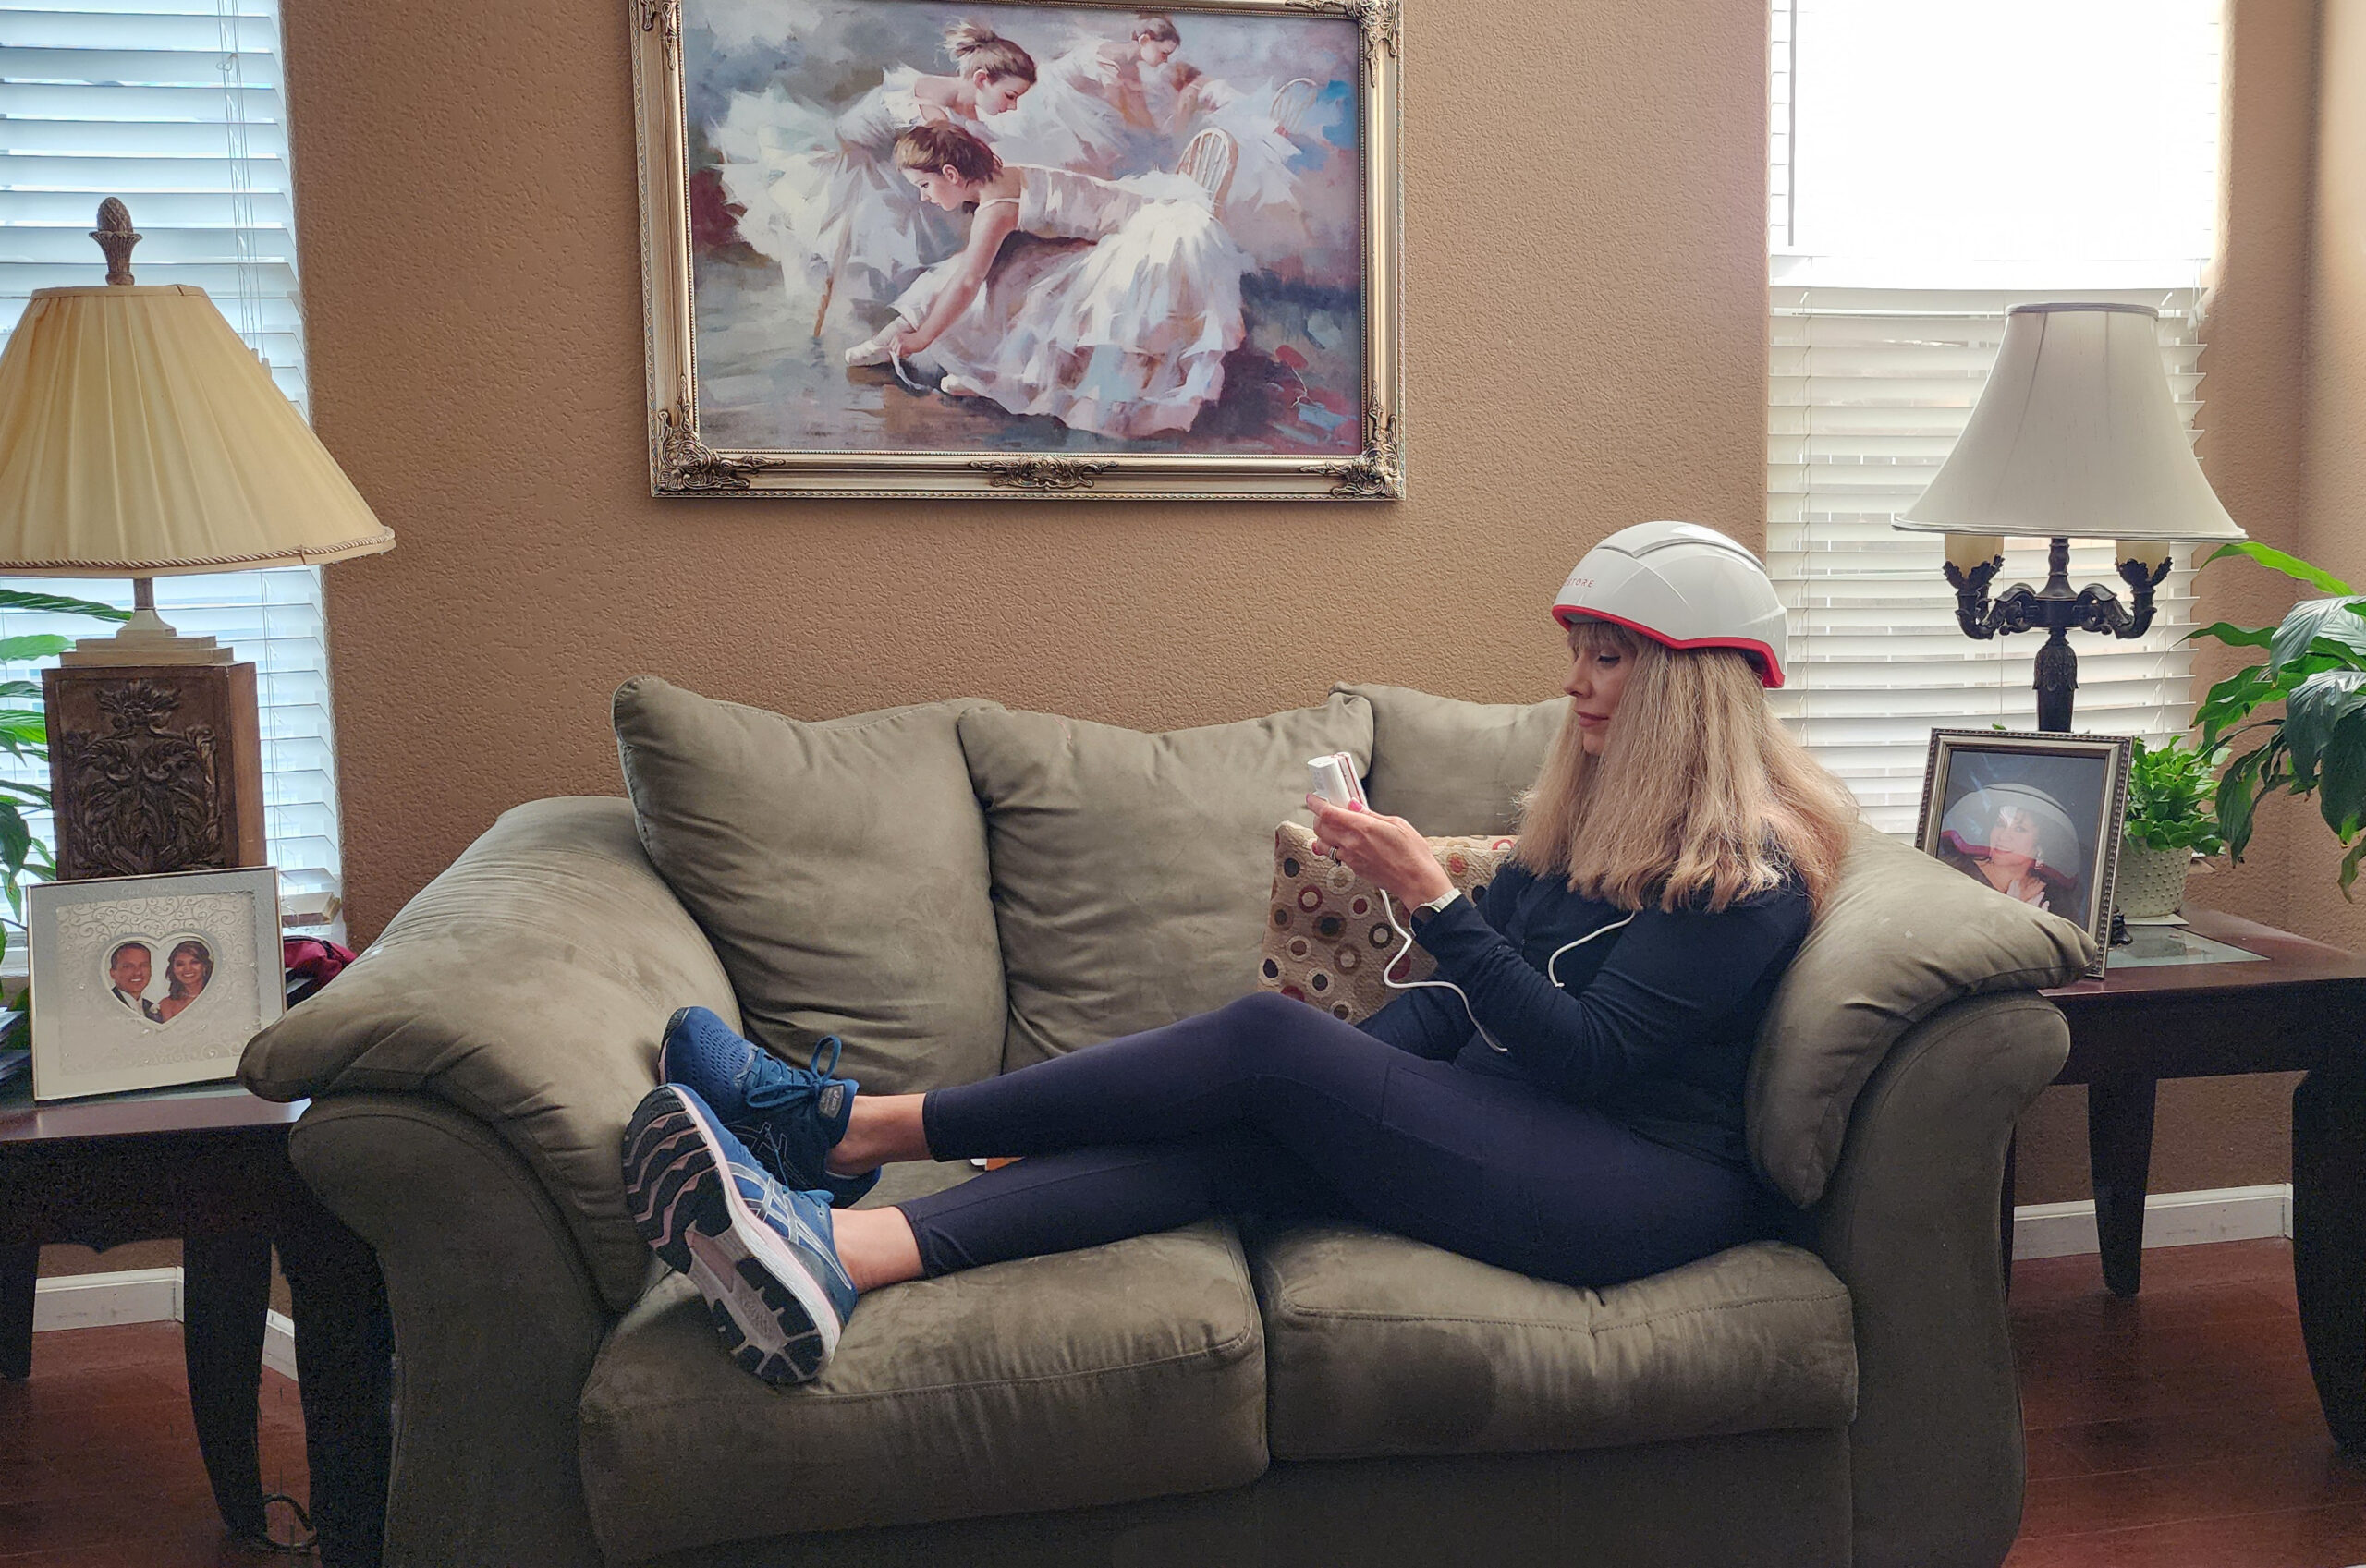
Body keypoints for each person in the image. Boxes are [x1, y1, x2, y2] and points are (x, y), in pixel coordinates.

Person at [622, 521, 1862, 1387]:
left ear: (1693, 681)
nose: (1578, 686)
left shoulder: (1746, 874)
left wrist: (1433, 905)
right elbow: (1474, 1018)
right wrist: (1344, 1079)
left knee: (1269, 1046)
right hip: (1522, 1109)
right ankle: (842, 1252)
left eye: (1611, 657)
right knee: (1262, 1104)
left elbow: (1585, 1056)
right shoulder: (1598, 812)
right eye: (1579, 651)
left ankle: (849, 1130)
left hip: (1628, 1183)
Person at [842, 124, 1251, 440]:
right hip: (1109, 231)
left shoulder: (997, 206)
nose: (924, 197)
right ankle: (905, 342)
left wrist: (925, 339)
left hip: (1151, 238)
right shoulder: (995, 178)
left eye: (925, 186)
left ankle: (995, 377)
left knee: (1041, 295)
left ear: (951, 173)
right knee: (1007, 274)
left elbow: (968, 283)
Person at [707, 23, 1045, 325]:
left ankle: (901, 317)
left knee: (930, 234)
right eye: (1010, 96)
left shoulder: (969, 114)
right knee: (853, 239)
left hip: (901, 172)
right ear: (982, 80)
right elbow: (856, 132)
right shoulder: (927, 109)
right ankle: (849, 319)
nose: (1012, 106)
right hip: (856, 162)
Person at [1936, 781, 2087, 918]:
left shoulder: (2056, 897)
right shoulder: (1954, 871)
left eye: (2020, 829)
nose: (2003, 836)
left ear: (2041, 845)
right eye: (2000, 824)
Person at [157, 940, 213, 1023]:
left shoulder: (219, 997)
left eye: (194, 962)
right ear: (173, 969)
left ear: (205, 966)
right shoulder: (165, 1005)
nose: (187, 969)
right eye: (180, 964)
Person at [108, 942, 161, 1023]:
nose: (138, 972)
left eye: (144, 965)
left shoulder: (153, 1009)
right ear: (113, 973)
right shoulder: (107, 1005)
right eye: (128, 967)